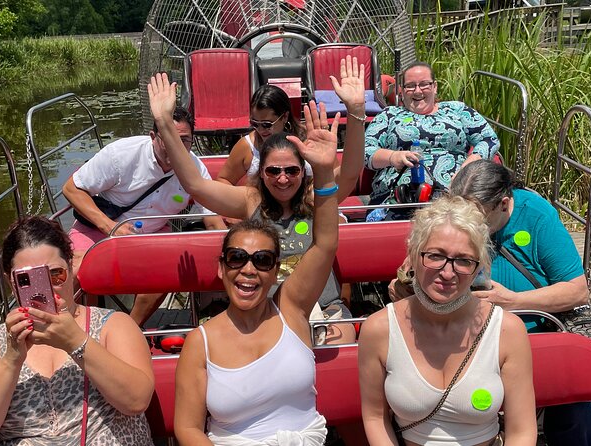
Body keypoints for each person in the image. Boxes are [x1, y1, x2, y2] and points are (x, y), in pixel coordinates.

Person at [167, 81, 341, 444]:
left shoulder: (291, 308)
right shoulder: (202, 341)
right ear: (221, 268)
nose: (248, 269)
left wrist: (324, 172)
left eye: (262, 260)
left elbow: (324, 244)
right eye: (236, 258)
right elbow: (187, 430)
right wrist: (165, 125)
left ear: (275, 270)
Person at [148, 56, 365, 344]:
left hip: (322, 309)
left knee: (340, 345)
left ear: (303, 172)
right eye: (273, 171)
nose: (283, 178)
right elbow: (195, 184)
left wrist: (357, 111)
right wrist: (164, 122)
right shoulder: (251, 200)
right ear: (261, 173)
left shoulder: (317, 198)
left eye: (291, 171)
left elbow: (350, 174)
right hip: (263, 311)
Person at [0, 216, 154, 445]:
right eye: (26, 280)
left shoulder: (114, 325)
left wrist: (75, 342)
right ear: (10, 283)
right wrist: (11, 359)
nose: (47, 289)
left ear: (71, 267)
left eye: (55, 275)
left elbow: (136, 401)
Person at [358, 195, 536, 446]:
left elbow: (522, 432)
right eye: (435, 256)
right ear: (413, 255)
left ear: (478, 267)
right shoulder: (379, 329)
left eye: (463, 260)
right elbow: (375, 418)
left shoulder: (508, 330)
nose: (448, 272)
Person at [449, 159, 591, 446]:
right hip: (463, 339)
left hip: (535, 338)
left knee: (578, 406)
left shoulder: (536, 216)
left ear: (504, 204)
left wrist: (513, 301)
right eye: (458, 212)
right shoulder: (452, 220)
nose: (465, 224)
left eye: (476, 217)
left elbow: (578, 291)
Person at [62, 106, 226, 326]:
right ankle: (65, 332)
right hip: (98, 228)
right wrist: (109, 226)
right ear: (153, 137)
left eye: (184, 140)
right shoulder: (120, 154)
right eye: (167, 139)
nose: (174, 147)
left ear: (192, 141)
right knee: (70, 272)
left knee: (168, 269)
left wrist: (231, 253)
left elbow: (212, 219)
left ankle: (130, 328)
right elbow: (71, 188)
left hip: (153, 233)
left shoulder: (195, 169)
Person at [364, 61, 500, 213]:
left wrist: (469, 166)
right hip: (400, 198)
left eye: (424, 84)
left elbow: (489, 139)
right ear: (401, 90)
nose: (417, 91)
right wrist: (393, 157)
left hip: (457, 197)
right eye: (410, 86)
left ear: (434, 87)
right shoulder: (388, 115)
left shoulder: (456, 110)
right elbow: (365, 151)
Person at [216, 84, 307, 187]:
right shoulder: (247, 146)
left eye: (266, 124)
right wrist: (248, 198)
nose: (260, 130)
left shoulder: (305, 139)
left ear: (285, 117)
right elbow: (223, 180)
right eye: (254, 123)